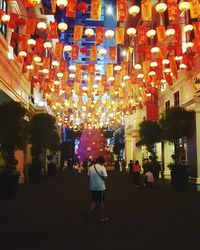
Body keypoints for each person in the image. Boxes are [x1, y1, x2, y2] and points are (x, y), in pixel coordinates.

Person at [87, 156, 109, 222]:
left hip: (92, 187)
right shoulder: (102, 167)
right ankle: (102, 217)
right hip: (100, 187)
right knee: (102, 202)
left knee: (94, 201)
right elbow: (105, 178)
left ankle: (88, 212)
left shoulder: (91, 167)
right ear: (102, 162)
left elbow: (88, 175)